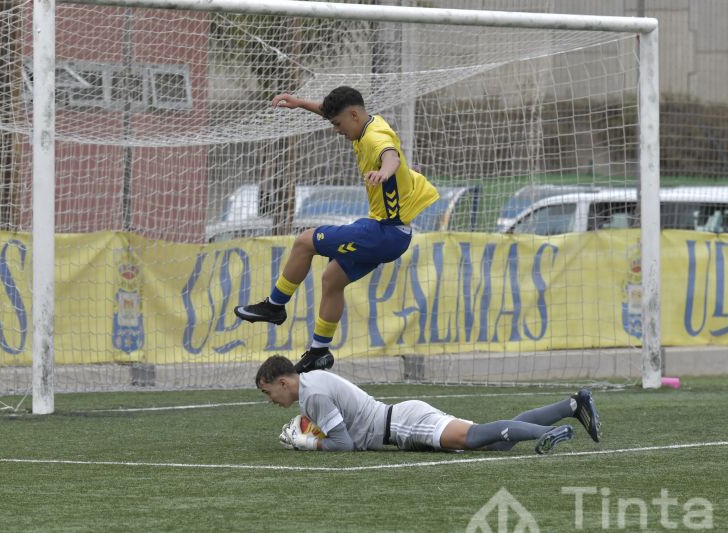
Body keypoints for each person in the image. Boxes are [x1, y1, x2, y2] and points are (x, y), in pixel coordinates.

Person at [235, 87, 439, 373]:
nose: (336, 130)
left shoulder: (374, 136)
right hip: (390, 233)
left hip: (384, 233)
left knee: (305, 241)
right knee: (332, 278)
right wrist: (299, 103)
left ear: (354, 116)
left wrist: (385, 172)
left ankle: (274, 305)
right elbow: (330, 111)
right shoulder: (367, 122)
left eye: (338, 124)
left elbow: (390, 155)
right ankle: (319, 351)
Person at [255, 355, 602, 454]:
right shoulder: (311, 386)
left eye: (269, 392)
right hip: (401, 421)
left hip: (402, 424)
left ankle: (551, 431)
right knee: (498, 441)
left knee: (477, 437)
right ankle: (572, 406)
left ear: (283, 382)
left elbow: (343, 444)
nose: (271, 401)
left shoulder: (312, 394)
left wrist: (307, 442)